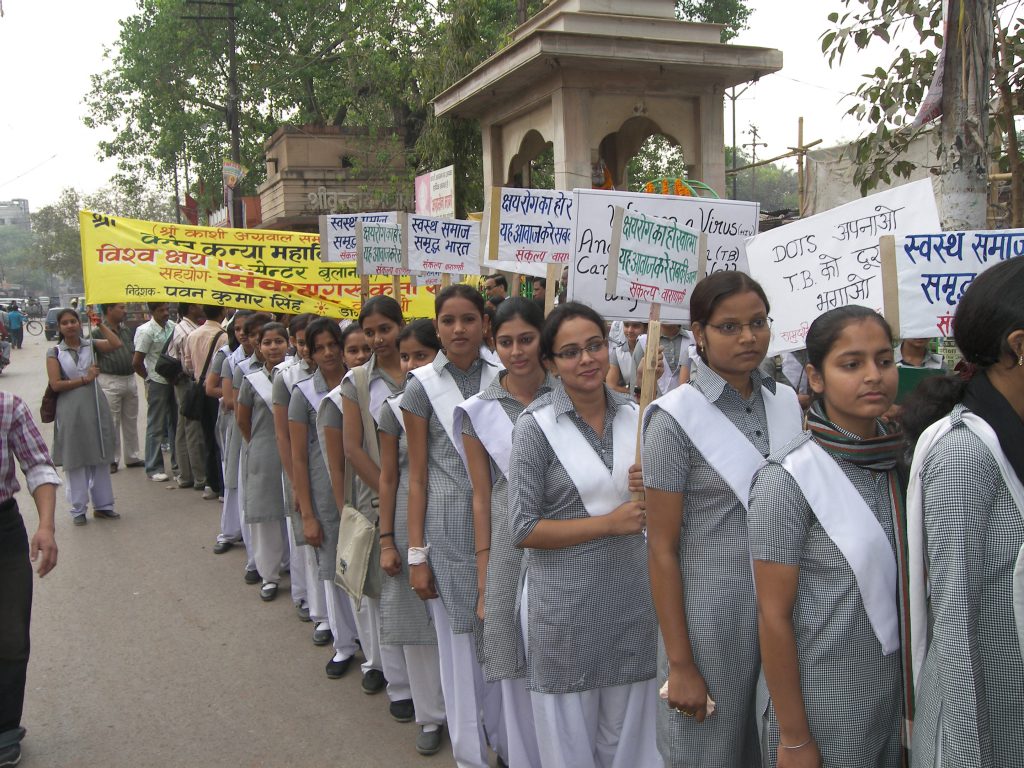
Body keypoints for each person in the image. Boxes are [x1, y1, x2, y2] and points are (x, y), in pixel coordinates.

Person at [643, 272, 802, 768]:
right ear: (699, 333)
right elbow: (661, 548)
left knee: (776, 743)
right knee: (710, 753)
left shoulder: (788, 403)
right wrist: (680, 663)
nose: (749, 337)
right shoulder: (673, 418)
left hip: (789, 610)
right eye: (729, 327)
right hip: (711, 621)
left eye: (758, 323)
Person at [748, 306, 905, 768]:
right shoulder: (789, 477)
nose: (873, 376)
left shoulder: (902, 458)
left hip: (892, 697)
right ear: (815, 377)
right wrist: (795, 738)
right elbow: (772, 616)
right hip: (822, 701)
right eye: (851, 364)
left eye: (884, 359)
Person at [508, 301, 659, 768]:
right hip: (563, 607)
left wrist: (653, 493)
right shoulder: (535, 428)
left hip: (633, 599)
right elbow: (523, 527)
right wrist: (608, 523)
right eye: (570, 352)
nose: (587, 359)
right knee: (568, 737)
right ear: (551, 364)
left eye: (594, 346)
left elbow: (662, 515)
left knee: (629, 735)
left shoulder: (641, 415)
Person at [902, 257, 1024, 767]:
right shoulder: (963, 452)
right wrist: (965, 753)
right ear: (1018, 346)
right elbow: (952, 625)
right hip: (989, 725)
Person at [403, 284, 504, 768]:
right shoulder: (420, 385)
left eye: (468, 319)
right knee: (460, 648)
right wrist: (416, 555)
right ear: (437, 326)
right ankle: (470, 756)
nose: (459, 329)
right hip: (447, 532)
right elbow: (416, 476)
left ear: (485, 323)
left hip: (505, 524)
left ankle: (508, 743)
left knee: (507, 638)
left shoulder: (509, 373)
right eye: (448, 321)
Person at [457, 297, 553, 768]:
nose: (517, 351)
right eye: (507, 342)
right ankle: (520, 755)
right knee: (512, 651)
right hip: (508, 539)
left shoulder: (571, 391)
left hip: (567, 532)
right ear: (494, 342)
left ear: (543, 339)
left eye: (527, 340)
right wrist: (483, 573)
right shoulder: (478, 411)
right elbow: (480, 493)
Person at [331, 297, 411, 707]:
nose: (378, 339)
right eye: (370, 331)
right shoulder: (357, 383)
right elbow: (351, 447)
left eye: (385, 329)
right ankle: (396, 681)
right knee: (384, 591)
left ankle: (429, 682)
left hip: (422, 491)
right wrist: (387, 490)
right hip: (377, 491)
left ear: (401, 325)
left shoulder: (423, 371)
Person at [377, 319, 447, 756]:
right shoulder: (393, 408)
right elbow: (388, 478)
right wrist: (388, 539)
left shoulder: (466, 402)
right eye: (405, 357)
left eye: (421, 355)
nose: (411, 365)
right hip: (410, 518)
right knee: (419, 623)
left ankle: (469, 712)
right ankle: (430, 714)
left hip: (457, 517)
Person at [290, 318, 362, 680]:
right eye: (319, 348)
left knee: (365, 568)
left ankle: (369, 644)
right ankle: (343, 643)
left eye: (334, 344)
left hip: (362, 486)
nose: (329, 353)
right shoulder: (303, 394)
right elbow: (299, 457)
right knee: (335, 569)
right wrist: (306, 512)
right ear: (309, 353)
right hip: (323, 491)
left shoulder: (361, 383)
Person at [0, 392, 60, 768]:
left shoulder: (8, 407)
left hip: (3, 531)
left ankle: (5, 727)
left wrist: (47, 526)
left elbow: (37, 465)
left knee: (10, 634)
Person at [46, 308, 124, 525]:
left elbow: (116, 344)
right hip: (70, 408)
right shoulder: (55, 352)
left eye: (74, 321)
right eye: (65, 323)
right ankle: (78, 508)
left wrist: (99, 324)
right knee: (76, 457)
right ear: (60, 327)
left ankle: (104, 505)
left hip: (94, 405)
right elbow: (56, 384)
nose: (70, 325)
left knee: (99, 453)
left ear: (80, 324)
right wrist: (86, 379)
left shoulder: (91, 344)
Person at [236, 322, 290, 602]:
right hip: (264, 452)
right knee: (266, 515)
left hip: (294, 452)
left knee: (292, 511)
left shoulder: (296, 376)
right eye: (267, 342)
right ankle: (269, 575)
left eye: (279, 341)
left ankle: (292, 566)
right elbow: (243, 421)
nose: (273, 347)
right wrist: (260, 444)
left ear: (288, 343)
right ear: (258, 346)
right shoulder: (250, 380)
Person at [270, 314, 318, 623]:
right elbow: (283, 436)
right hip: (301, 467)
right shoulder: (286, 377)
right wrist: (295, 483)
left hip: (331, 469)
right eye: (302, 343)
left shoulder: (342, 374)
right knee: (305, 542)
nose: (309, 350)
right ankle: (308, 601)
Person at [92, 303, 143, 472]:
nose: (124, 311)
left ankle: (132, 456)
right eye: (120, 307)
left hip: (129, 378)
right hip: (110, 379)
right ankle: (112, 459)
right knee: (112, 421)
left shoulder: (126, 331)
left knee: (130, 419)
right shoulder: (97, 332)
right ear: (109, 310)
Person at [132, 302, 177, 482]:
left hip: (173, 379)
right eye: (161, 311)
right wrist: (148, 378)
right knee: (156, 425)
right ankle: (154, 466)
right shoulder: (146, 331)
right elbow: (137, 361)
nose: (165, 313)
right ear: (152, 312)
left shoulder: (173, 327)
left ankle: (177, 464)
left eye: (167, 310)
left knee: (175, 424)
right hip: (157, 381)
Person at [188, 305, 228, 500]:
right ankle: (222, 486)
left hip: (199, 389)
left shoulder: (193, 335)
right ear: (222, 312)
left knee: (208, 438)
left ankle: (211, 484)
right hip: (217, 391)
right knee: (221, 438)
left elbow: (186, 364)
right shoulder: (223, 337)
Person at [169, 303, 208, 495]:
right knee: (192, 428)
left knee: (183, 427)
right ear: (191, 308)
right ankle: (198, 476)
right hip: (188, 382)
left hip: (183, 382)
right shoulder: (186, 332)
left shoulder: (183, 328)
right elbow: (186, 363)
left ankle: (185, 474)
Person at [606, 320, 645, 395]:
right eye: (626, 325)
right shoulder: (617, 352)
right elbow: (611, 385)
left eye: (635, 326)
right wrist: (634, 393)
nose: (630, 330)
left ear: (646, 328)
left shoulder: (654, 350)